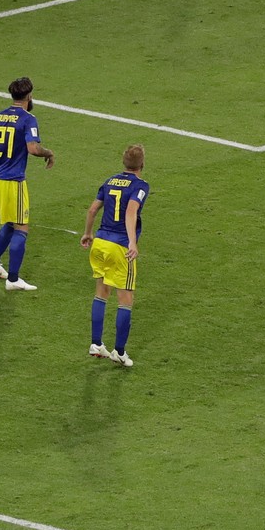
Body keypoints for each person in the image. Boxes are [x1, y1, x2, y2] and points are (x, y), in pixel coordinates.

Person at [0, 77, 56, 291]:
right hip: (13, 181)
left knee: (10, 222)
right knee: (21, 227)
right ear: (29, 96)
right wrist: (49, 153)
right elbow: (33, 148)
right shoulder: (29, 119)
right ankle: (13, 279)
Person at [79, 145, 150, 368]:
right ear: (142, 164)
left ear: (123, 162)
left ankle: (96, 344)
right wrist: (132, 242)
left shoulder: (110, 181)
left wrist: (88, 233)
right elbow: (130, 211)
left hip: (99, 243)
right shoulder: (140, 186)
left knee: (101, 292)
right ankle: (119, 352)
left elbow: (92, 210)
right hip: (119, 246)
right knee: (125, 300)